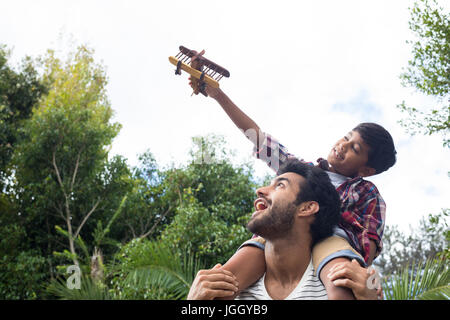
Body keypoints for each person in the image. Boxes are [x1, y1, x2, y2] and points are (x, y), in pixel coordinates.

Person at [187, 73, 396, 299]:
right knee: (224, 278)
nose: (343, 146)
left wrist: (365, 276)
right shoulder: (301, 172)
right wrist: (218, 95)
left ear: (366, 170)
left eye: (355, 149)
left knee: (341, 279)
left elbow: (369, 240)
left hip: (333, 238)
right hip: (283, 231)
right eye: (346, 137)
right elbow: (259, 139)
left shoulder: (367, 193)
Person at [187, 159, 380, 300]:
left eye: (279, 186)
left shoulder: (343, 281)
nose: (260, 190)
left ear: (306, 208)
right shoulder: (231, 288)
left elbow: (369, 239)